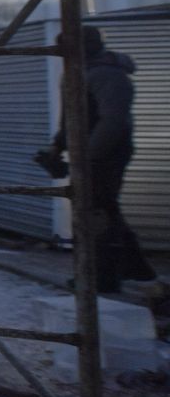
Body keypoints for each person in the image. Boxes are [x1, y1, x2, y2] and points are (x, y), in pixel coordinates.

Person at [37, 27, 160, 297]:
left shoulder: (107, 74)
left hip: (108, 154)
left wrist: (87, 157)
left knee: (97, 215)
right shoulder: (78, 73)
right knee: (102, 210)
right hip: (92, 153)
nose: (63, 56)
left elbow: (113, 122)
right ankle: (136, 271)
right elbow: (71, 118)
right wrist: (57, 146)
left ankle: (101, 278)